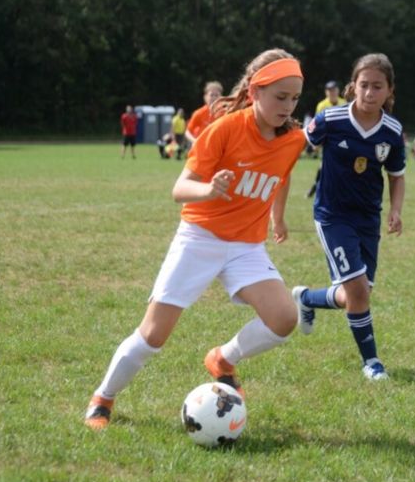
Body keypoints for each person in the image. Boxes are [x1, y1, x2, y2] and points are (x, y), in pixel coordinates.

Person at [84, 49, 307, 430]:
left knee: (285, 317)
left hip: (246, 247)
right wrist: (209, 191)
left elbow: (281, 176)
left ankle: (222, 359)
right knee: (153, 335)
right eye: (280, 97)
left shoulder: (293, 139)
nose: (288, 106)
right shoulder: (224, 129)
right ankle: (102, 398)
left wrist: (278, 216)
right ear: (255, 92)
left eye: (295, 98)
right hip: (199, 238)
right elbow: (180, 187)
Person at [292, 53, 406, 381]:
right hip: (332, 216)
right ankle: (371, 362)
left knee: (355, 295)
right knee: (357, 290)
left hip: (368, 219)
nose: (369, 93)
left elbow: (397, 175)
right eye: (364, 85)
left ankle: (306, 298)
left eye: (377, 87)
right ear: (352, 86)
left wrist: (396, 210)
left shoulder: (392, 132)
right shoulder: (331, 119)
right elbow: (297, 146)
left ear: (389, 91)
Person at [305, 81, 348, 198]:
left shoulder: (344, 103)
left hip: (341, 140)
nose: (332, 93)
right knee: (325, 164)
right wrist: (316, 142)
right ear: (326, 92)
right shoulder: (322, 105)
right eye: (329, 90)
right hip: (327, 140)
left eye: (334, 90)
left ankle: (320, 188)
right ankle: (316, 187)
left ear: (338, 91)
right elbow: (318, 124)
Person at [185, 81, 224, 147]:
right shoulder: (199, 113)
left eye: (216, 95)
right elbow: (187, 132)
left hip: (218, 148)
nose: (214, 98)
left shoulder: (225, 113)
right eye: (211, 95)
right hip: (201, 148)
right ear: (205, 97)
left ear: (221, 97)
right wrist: (194, 141)